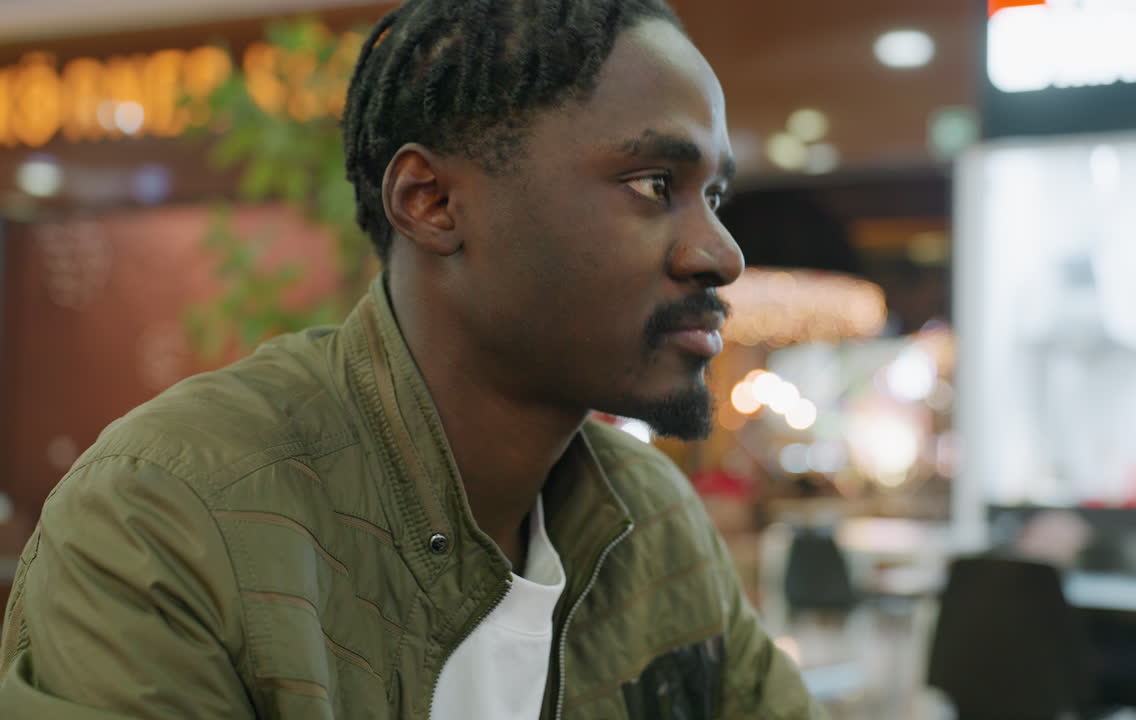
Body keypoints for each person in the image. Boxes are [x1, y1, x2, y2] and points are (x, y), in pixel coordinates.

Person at [0, 1, 823, 718]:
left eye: (713, 195)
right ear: (430, 203)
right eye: (653, 184)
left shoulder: (652, 525)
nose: (721, 253)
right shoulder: (171, 516)